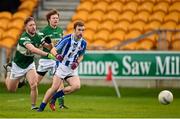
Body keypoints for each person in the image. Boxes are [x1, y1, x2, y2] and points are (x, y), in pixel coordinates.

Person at [4, 17, 58, 110]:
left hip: (29, 64)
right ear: (26, 27)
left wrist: (50, 43)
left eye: (34, 25)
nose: (33, 27)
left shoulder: (38, 36)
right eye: (31, 25)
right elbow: (33, 49)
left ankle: (33, 106)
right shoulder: (23, 37)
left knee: (34, 84)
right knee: (11, 89)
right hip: (18, 65)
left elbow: (48, 47)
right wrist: (47, 55)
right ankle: (9, 71)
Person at [37, 21, 87, 112]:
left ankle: (53, 99)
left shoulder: (83, 43)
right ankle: (41, 107)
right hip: (62, 66)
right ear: (74, 30)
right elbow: (53, 49)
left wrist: (77, 63)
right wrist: (57, 56)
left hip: (72, 68)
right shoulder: (67, 39)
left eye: (83, 30)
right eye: (79, 30)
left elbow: (81, 55)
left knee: (76, 86)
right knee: (54, 88)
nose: (81, 32)